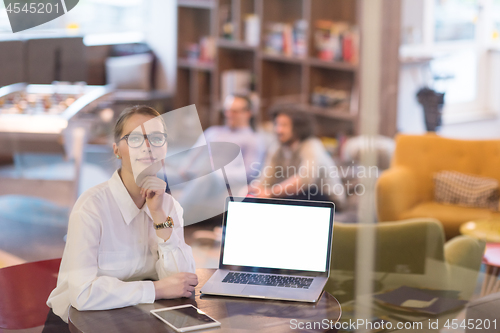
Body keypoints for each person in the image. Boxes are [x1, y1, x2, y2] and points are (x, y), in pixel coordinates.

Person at [44, 105, 197, 332]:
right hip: (77, 324)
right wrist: (157, 289)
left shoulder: (168, 206)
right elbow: (82, 294)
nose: (148, 147)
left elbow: (181, 282)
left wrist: (158, 216)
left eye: (156, 138)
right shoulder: (91, 207)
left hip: (137, 318)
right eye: (135, 138)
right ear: (117, 150)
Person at [250, 106, 346, 209]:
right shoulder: (277, 148)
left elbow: (305, 180)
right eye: (277, 124)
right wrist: (254, 189)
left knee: (307, 192)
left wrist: (271, 192)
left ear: (298, 127)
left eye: (284, 125)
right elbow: (267, 178)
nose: (278, 130)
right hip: (296, 196)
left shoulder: (311, 145)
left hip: (327, 199)